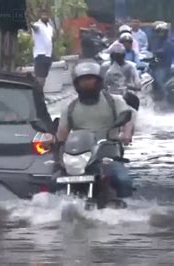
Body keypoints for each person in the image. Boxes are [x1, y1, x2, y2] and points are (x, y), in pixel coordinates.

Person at [57, 61, 135, 199]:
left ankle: (126, 208)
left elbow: (127, 117)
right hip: (81, 157)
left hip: (108, 154)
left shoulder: (114, 101)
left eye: (90, 79)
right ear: (76, 84)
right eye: (83, 80)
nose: (87, 83)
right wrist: (52, 141)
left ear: (99, 81)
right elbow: (62, 135)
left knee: (123, 181)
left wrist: (126, 133)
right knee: (54, 183)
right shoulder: (69, 108)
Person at [31, 8, 54, 90]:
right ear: (40, 16)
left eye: (46, 14)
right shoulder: (37, 25)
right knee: (39, 78)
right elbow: (35, 28)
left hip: (48, 55)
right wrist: (30, 24)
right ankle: (38, 95)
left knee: (44, 77)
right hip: (40, 55)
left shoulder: (50, 27)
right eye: (43, 14)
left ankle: (41, 94)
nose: (45, 16)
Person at [150, 22, 173, 100]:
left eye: (162, 31)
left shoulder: (168, 43)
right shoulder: (156, 42)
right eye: (158, 32)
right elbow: (154, 54)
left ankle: (165, 95)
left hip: (165, 67)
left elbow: (160, 53)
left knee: (159, 80)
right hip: (158, 66)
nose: (160, 34)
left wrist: (155, 57)